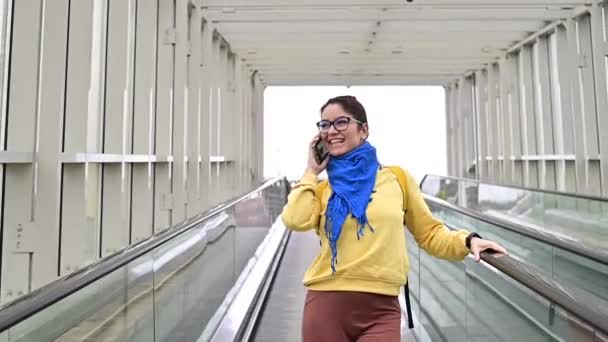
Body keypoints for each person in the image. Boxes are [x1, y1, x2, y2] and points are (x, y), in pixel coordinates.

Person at [281, 95, 507, 342]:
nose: (331, 131)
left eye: (341, 122)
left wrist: (468, 240)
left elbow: (430, 233)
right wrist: (311, 171)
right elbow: (294, 219)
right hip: (326, 304)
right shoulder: (322, 189)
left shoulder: (397, 179)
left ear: (364, 130)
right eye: (324, 125)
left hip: (382, 309)